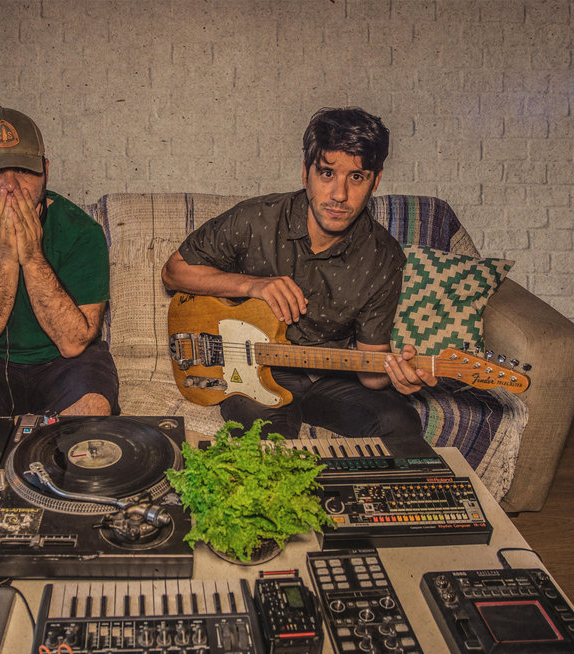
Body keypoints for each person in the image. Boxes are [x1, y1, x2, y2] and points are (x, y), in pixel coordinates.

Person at [160, 107, 435, 443]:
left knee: (400, 420)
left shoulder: (384, 256)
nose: (339, 195)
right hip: (253, 370)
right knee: (270, 440)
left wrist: (396, 374)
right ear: (306, 173)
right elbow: (174, 272)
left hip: (328, 379)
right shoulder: (257, 218)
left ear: (375, 181)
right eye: (327, 173)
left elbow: (371, 369)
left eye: (356, 177)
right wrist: (252, 285)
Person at [0, 106, 118, 417]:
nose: (10, 185)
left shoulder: (83, 231)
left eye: (24, 170)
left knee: (92, 414)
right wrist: (6, 257)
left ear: (45, 170)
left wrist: (31, 255)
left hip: (66, 362)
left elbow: (73, 343)